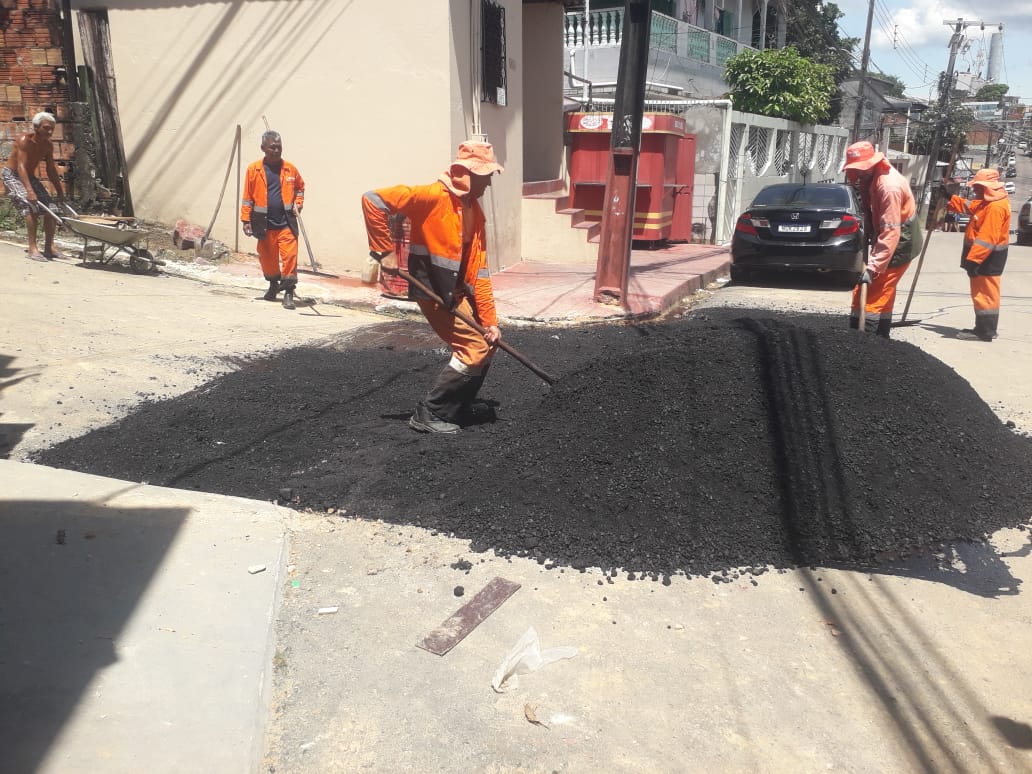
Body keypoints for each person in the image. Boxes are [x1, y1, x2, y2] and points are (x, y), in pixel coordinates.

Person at [361, 141, 504, 434]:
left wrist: (490, 321)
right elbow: (373, 199)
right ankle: (432, 411)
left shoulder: (475, 211)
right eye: (485, 175)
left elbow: (480, 271)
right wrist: (384, 251)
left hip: (457, 290)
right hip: (434, 290)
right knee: (474, 347)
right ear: (466, 174)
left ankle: (458, 406)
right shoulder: (432, 196)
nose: (489, 182)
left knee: (488, 343)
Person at [842, 141, 921, 338]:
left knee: (871, 292)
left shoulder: (889, 187)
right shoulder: (871, 177)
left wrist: (873, 267)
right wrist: (869, 224)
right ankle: (882, 337)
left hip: (900, 241)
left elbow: (891, 231)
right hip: (890, 235)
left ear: (871, 164)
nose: (857, 173)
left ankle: (865, 341)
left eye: (860, 169)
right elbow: (870, 205)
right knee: (884, 291)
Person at [240, 130, 305, 310]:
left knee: (290, 257)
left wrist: (298, 203)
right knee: (267, 259)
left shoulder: (290, 169)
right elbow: (247, 198)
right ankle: (273, 285)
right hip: (264, 224)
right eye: (272, 147)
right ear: (263, 148)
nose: (276, 151)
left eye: (279, 147)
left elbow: (300, 188)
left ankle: (289, 292)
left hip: (286, 223)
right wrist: (245, 220)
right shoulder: (253, 169)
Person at [946, 168, 1010, 342]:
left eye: (977, 186)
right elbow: (970, 207)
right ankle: (983, 328)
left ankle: (985, 331)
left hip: (987, 259)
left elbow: (987, 238)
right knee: (981, 294)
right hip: (985, 258)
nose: (974, 189)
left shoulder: (995, 207)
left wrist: (974, 260)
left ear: (987, 187)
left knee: (985, 295)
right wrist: (950, 198)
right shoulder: (987, 202)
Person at [2, 112, 67, 262]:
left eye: (52, 129)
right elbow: (21, 167)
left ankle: (49, 247)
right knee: (30, 205)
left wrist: (59, 191)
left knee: (51, 208)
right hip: (12, 175)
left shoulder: (48, 145)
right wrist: (30, 191)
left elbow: (51, 169)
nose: (49, 132)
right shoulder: (24, 141)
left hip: (29, 177)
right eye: (46, 128)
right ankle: (32, 248)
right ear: (36, 127)